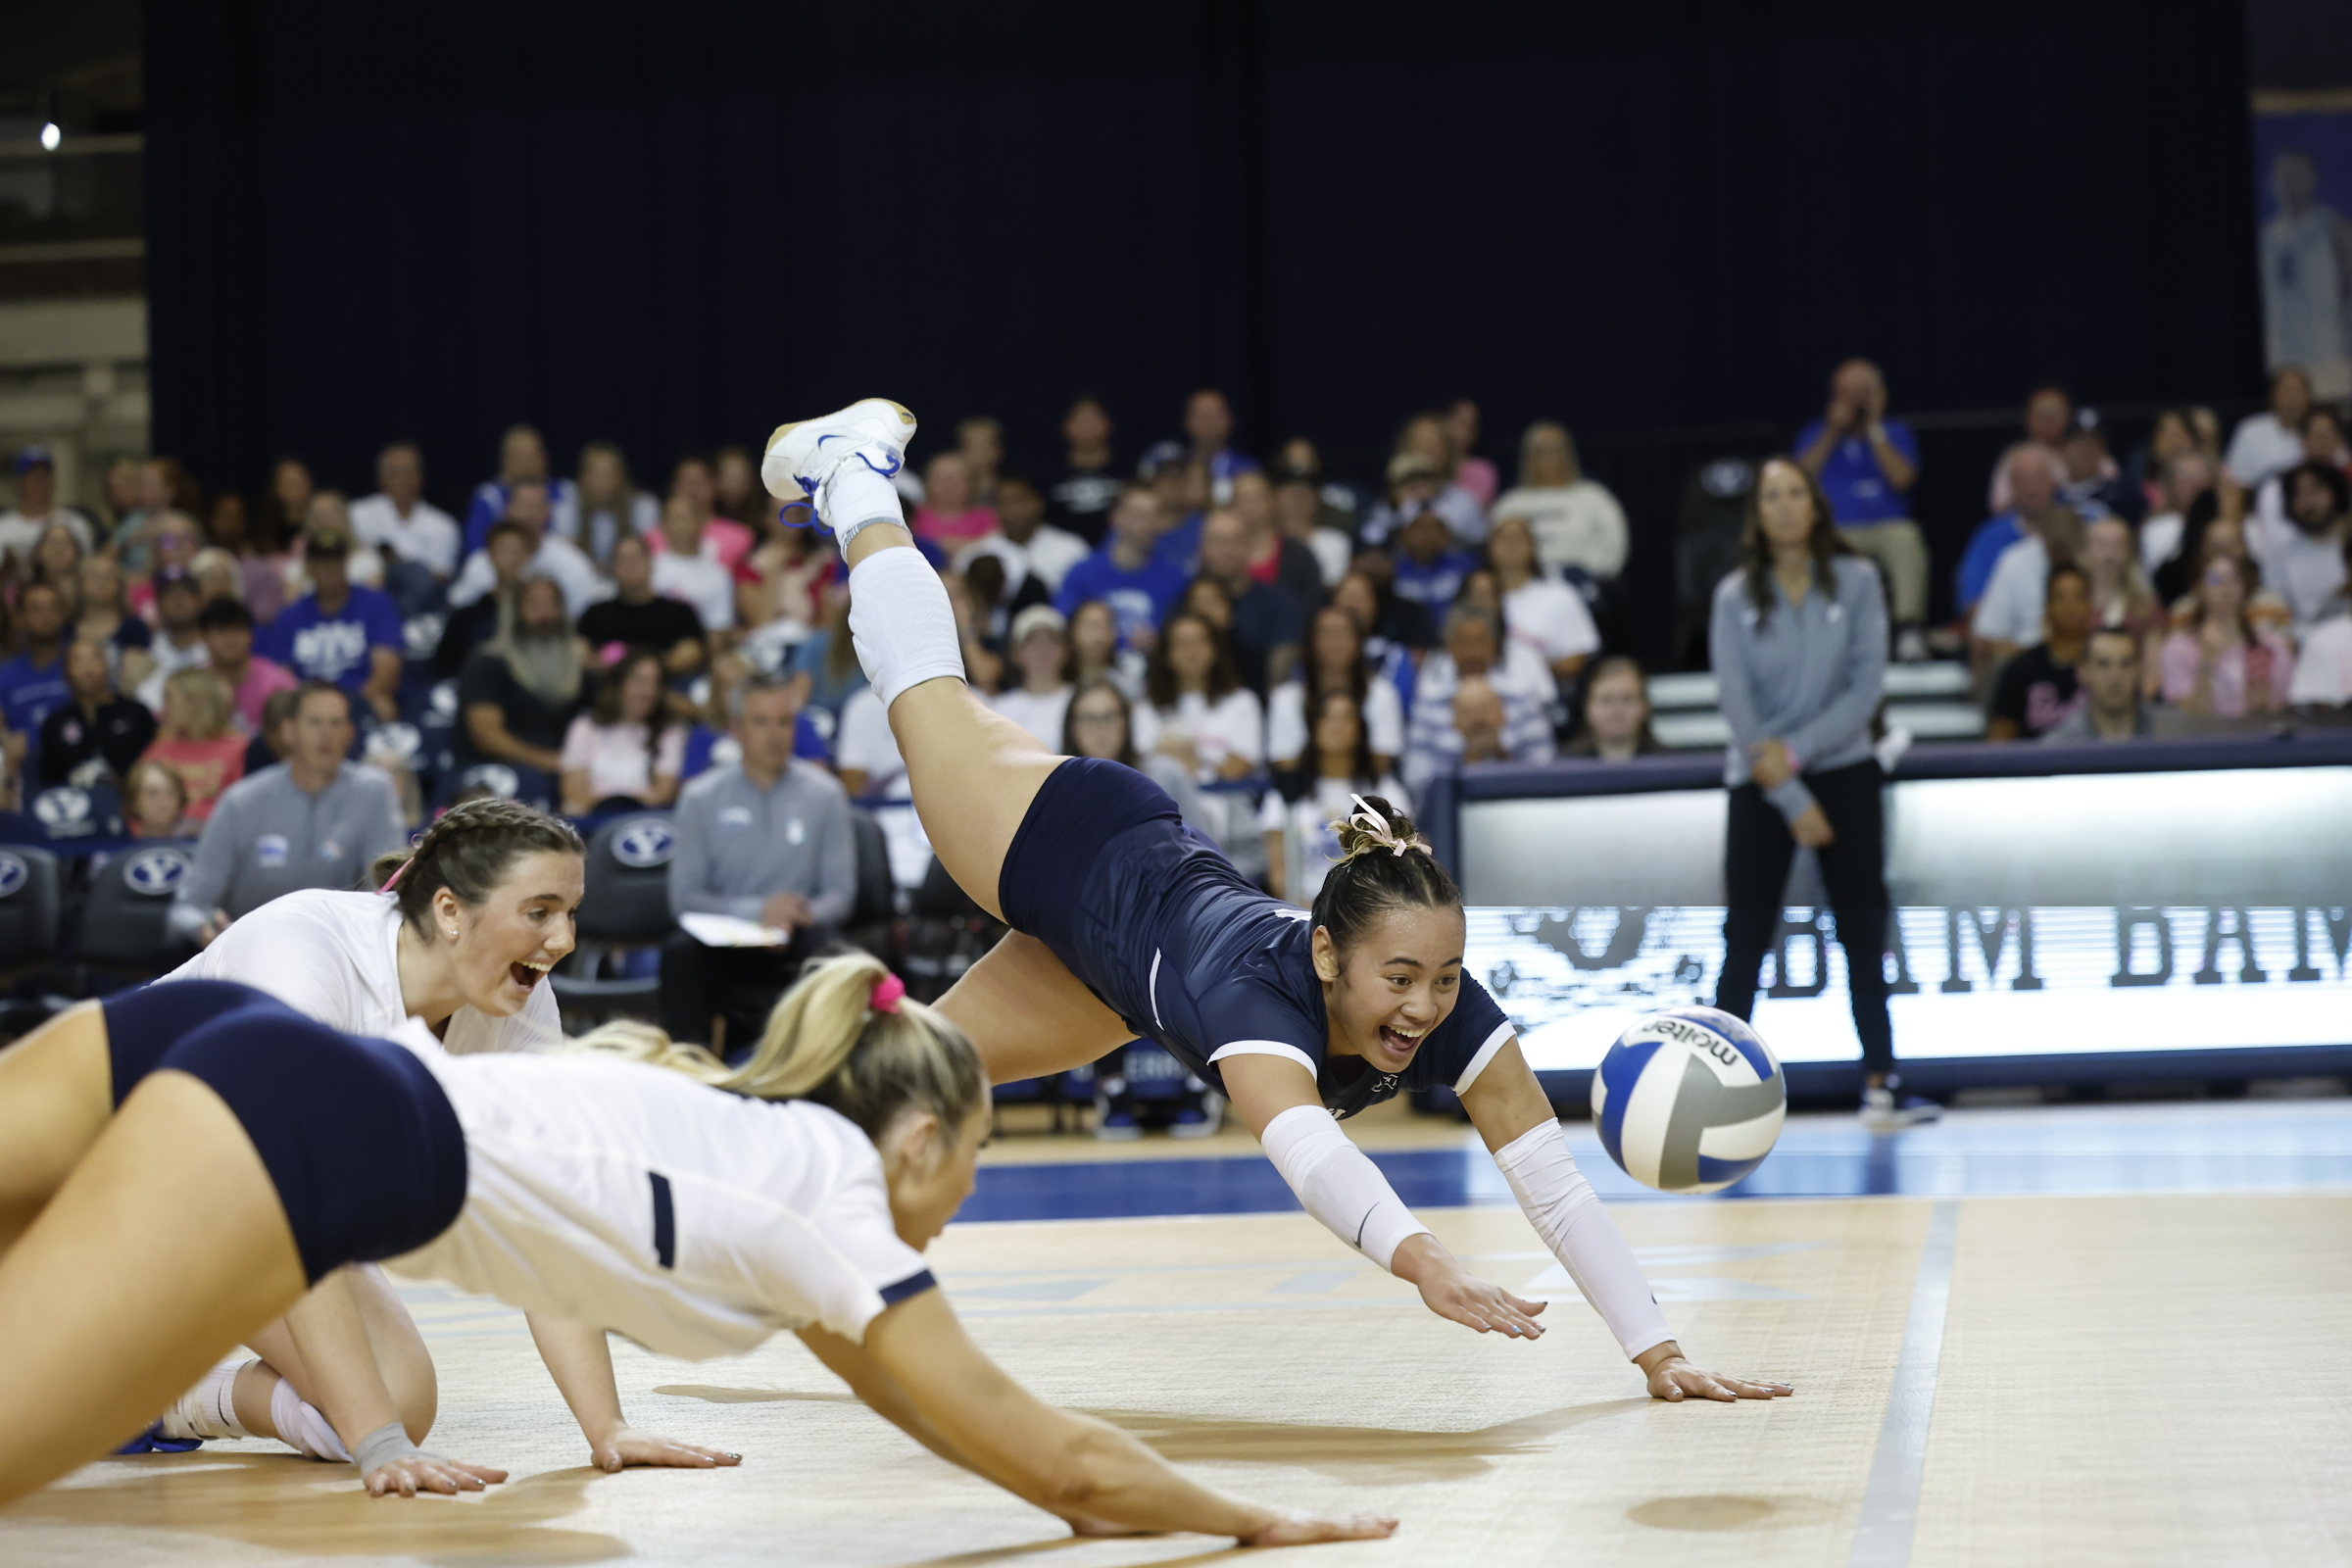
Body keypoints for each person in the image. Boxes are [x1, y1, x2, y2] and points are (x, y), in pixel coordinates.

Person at [758, 398, 1788, 1405]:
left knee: (890, 1075)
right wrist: (1427, 1262)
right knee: (926, 694)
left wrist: (1657, 1352)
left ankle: (720, 1197)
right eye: (1402, 978)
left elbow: (1553, 1182)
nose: (1426, 1005)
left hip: (1114, 977)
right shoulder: (1258, 1003)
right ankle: (853, 475)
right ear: (1329, 955)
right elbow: (1310, 1153)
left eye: (1441, 976)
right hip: (1075, 843)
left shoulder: (1440, 1003)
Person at [0, 966, 1394, 1544]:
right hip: (297, 1128)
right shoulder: (831, 1206)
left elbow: (989, 1447)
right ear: (914, 1139)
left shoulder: (776, 1174)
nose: (969, 1195)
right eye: (977, 1157)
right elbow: (1062, 1464)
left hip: (233, 1044)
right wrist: (1259, 1520)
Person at [147, 798, 730, 1487]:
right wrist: (380, 1447)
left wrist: (608, 1426)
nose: (566, 937)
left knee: (393, 1400)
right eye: (539, 912)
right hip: (114, 1183)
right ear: (451, 912)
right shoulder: (305, 949)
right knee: (374, 1419)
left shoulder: (517, 1000)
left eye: (571, 911)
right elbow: (284, 1203)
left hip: (233, 1203)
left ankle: (162, 1401)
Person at [1708, 457, 1922, 1134]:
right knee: (1745, 936)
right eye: (1770, 496)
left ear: (1816, 504)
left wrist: (1796, 757)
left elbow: (1865, 692)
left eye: (1795, 493)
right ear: (1757, 512)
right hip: (1762, 781)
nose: (1784, 506)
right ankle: (1717, 1096)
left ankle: (1883, 1083)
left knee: (1863, 928)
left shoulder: (1857, 582)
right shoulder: (1734, 596)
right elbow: (1739, 708)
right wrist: (1795, 798)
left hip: (1843, 770)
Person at [662, 674, 856, 1052]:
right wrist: (759, 912)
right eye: (761, 722)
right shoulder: (700, 798)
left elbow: (840, 893)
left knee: (836, 954)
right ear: (736, 729)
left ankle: (832, 1082)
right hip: (726, 940)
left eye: (785, 722)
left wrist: (793, 918)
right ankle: (689, 1075)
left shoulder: (826, 794)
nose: (775, 734)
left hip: (799, 934)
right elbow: (685, 898)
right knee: (680, 953)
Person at [171, 682, 405, 945]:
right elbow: (187, 908)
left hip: (341, 950)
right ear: (288, 732)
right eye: (315, 722)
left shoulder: (374, 792)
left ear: (350, 733)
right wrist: (206, 929)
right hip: (251, 951)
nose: (326, 733)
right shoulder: (242, 801)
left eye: (336, 723)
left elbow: (387, 892)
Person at [1793, 359, 1928, 653]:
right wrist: (1832, 430)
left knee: (1906, 537)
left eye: (1862, 393)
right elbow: (1799, 480)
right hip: (1836, 529)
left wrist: (1875, 427)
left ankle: (1908, 629)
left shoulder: (1894, 432)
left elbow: (1903, 479)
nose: (1855, 402)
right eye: (1847, 393)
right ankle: (1815, 632)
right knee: (1810, 543)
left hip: (1884, 529)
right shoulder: (1816, 433)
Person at [1259, 690, 1409, 906]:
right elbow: (1279, 875)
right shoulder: (1284, 793)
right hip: (1303, 915)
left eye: (1346, 718)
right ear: (1313, 727)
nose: (1336, 726)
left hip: (1371, 915)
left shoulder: (1388, 791)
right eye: (1327, 717)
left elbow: (1401, 864)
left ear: (1361, 728)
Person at [456, 576, 583, 800]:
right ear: (514, 613)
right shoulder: (488, 663)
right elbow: (488, 737)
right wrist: (549, 761)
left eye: (553, 605)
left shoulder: (580, 667)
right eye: (535, 605)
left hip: (569, 774)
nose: (546, 615)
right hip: (500, 775)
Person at [260, 529, 405, 723]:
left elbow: (387, 668)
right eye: (321, 562)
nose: (329, 568)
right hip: (308, 703)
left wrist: (354, 703)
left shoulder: (376, 604)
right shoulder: (290, 616)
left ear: (346, 563)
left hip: (361, 696)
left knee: (384, 706)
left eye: (335, 561)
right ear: (309, 567)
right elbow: (282, 677)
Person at [1266, 603, 1405, 774]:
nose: (1336, 642)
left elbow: (1382, 760)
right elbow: (1285, 763)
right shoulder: (1285, 698)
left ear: (1359, 642)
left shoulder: (1383, 694)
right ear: (1310, 643)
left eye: (1344, 633)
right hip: (1305, 795)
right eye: (1327, 634)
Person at [2152, 552, 2293, 718]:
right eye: (2215, 580)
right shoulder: (2179, 649)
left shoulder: (2271, 647)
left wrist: (2265, 709)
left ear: (2245, 588)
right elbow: (2188, 719)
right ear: (2199, 588)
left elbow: (2287, 712)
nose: (2226, 589)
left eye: (2233, 579)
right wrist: (2207, 662)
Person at [1131, 612, 1264, 783]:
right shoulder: (1146, 707)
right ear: (1166, 654)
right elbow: (1144, 768)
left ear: (1215, 650)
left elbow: (1240, 766)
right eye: (1182, 644)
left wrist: (1188, 760)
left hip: (1225, 802)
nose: (1192, 651)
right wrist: (1210, 764)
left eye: (1200, 642)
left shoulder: (1242, 702)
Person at [1490, 420, 1628, 583]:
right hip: (1525, 587)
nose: (1549, 457)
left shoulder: (1594, 496)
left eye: (1555, 449)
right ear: (1528, 457)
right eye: (1541, 450)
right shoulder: (1510, 503)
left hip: (1583, 585)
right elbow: (1494, 549)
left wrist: (1589, 575)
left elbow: (1615, 545)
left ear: (1568, 454)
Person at [447, 480, 607, 620]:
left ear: (548, 512)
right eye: (523, 506)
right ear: (508, 510)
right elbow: (458, 612)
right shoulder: (481, 563)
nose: (529, 515)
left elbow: (585, 617)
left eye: (535, 507)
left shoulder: (572, 564)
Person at [1054, 485, 1185, 653]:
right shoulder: (1082, 574)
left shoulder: (1175, 578)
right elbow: (1063, 628)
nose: (1148, 524)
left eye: (1155, 516)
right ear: (1115, 518)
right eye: (1139, 516)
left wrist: (1162, 644)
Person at [1195, 507, 1305, 692]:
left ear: (1249, 546)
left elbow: (1278, 678)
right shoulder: (1185, 601)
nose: (1225, 551)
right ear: (1202, 548)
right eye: (1217, 542)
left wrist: (1228, 631)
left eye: (1233, 542)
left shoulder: (1281, 603)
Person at [560, 649, 684, 814]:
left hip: (643, 820)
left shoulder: (670, 732)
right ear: (619, 684)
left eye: (656, 683)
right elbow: (574, 794)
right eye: (640, 682)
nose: (650, 692)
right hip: (593, 823)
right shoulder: (586, 727)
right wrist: (613, 804)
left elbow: (664, 794)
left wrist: (618, 803)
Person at [1984, 564, 2096, 741]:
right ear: (2047, 607)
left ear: (2091, 606)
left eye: (2079, 596)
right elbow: (1999, 741)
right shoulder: (2020, 670)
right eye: (2060, 597)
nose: (2070, 606)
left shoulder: (2109, 665)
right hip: (2034, 765)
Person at [1488, 513, 1598, 689]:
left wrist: (1530, 675)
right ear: (1490, 547)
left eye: (1518, 538)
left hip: (1545, 695)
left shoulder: (1560, 594)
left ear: (1533, 546)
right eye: (1504, 538)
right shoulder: (1478, 596)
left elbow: (1576, 656)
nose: (1511, 545)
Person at [1973, 505, 2085, 672]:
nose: (2061, 554)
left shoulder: (2093, 564)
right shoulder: (2014, 562)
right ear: (2042, 536)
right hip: (2026, 665)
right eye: (2056, 548)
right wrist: (2038, 658)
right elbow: (1988, 637)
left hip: (2084, 663)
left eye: (2067, 549)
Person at [577, 530, 706, 676]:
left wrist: (648, 672)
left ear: (651, 562)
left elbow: (693, 651)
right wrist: (598, 664)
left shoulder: (680, 612)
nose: (631, 566)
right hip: (609, 689)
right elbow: (578, 649)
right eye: (623, 560)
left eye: (636, 558)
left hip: (665, 687)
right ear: (613, 568)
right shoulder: (595, 613)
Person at [1957, 444, 2066, 617]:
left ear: (2055, 480)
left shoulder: (2081, 527)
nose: (2031, 487)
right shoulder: (1988, 537)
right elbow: (1973, 604)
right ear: (2011, 485)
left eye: (2038, 477)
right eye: (2022, 479)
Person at [37, 638, 158, 789]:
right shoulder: (54, 724)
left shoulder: (136, 713)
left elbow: (153, 763)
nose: (87, 668)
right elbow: (48, 779)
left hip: (129, 801)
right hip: (74, 805)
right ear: (66, 671)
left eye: (95, 658)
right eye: (78, 661)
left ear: (108, 665)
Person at [2248, 459, 2350, 631]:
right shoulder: (2279, 557)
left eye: (2315, 490)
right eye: (2298, 494)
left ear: (2335, 491)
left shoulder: (2347, 542)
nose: (2308, 502)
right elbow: (2276, 615)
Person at [954, 471, 1087, 600]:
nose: (1012, 511)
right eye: (1003, 502)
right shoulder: (975, 554)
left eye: (1019, 501)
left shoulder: (1071, 550)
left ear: (1039, 503)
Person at [141, 667, 247, 820]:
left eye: (169, 698)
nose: (163, 708)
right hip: (166, 838)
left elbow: (246, 807)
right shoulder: (160, 749)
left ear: (196, 702)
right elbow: (137, 807)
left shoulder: (238, 748)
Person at [463, 424, 581, 555]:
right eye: (519, 457)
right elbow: (476, 549)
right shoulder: (489, 497)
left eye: (532, 456)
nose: (527, 465)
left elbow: (580, 544)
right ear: (505, 461)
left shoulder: (567, 492)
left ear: (545, 457)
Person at [350, 443, 463, 580]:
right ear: (381, 478)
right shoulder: (357, 515)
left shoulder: (444, 526)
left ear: (421, 477)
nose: (403, 479)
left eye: (410, 472)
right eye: (395, 473)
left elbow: (441, 576)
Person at [195, 596, 300, 738]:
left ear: (251, 635)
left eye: (238, 629)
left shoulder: (278, 684)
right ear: (203, 637)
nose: (231, 637)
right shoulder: (193, 687)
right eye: (221, 630)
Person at [0, 581, 72, 785]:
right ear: (19, 618)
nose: (47, 616)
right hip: (25, 769)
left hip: (76, 763)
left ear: (64, 615)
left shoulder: (79, 663)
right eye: (36, 609)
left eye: (54, 608)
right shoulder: (6, 674)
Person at [2222, 366, 2318, 508]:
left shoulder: (2321, 430)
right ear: (2273, 395)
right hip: (2260, 509)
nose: (2292, 397)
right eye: (2286, 390)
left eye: (2298, 391)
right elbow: (2235, 482)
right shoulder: (2251, 430)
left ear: (2309, 396)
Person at [2042, 626, 2155, 741]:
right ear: (2083, 672)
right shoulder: (2059, 747)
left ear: (2139, 670)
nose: (2115, 676)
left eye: (2125, 664)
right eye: (2103, 664)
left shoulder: (2168, 736)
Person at [986, 605, 1074, 749]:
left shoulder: (1082, 701)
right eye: (1032, 642)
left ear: (1065, 649)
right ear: (1016, 653)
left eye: (1051, 641)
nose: (1042, 650)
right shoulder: (999, 709)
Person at [648, 495, 738, 635]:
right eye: (674, 518)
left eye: (685, 517)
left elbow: (718, 629)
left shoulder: (719, 575)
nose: (680, 525)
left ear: (701, 522)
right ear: (663, 526)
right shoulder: (648, 569)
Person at [73, 551, 156, 692]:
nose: (101, 581)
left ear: (119, 584)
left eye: (108, 576)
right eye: (94, 576)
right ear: (80, 583)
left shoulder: (135, 629)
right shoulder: (66, 631)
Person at [0, 446, 96, 567]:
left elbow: (86, 570)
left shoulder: (75, 524)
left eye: (45, 476)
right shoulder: (3, 528)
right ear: (20, 483)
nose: (41, 482)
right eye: (34, 476)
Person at [1985, 384, 2076, 514]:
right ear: (2028, 418)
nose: (2048, 420)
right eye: (2042, 414)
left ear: (2068, 416)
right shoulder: (2015, 457)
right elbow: (1998, 505)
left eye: (2054, 413)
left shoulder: (2084, 452)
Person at [570, 440, 660, 568]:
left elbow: (650, 555)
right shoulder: (569, 507)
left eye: (608, 474)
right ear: (583, 477)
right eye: (596, 474)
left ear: (621, 476)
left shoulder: (643, 506)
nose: (602, 481)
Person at [1048, 393, 1121, 543]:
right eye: (1081, 420)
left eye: (1093, 419)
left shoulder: (1127, 470)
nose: (1088, 427)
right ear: (1066, 426)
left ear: (1108, 424)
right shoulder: (1048, 475)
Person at [1562, 655, 1666, 760]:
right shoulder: (1564, 766)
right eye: (1606, 700)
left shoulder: (1669, 764)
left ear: (1644, 706)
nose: (1617, 710)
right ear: (1587, 708)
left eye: (1627, 699)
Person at [134, 566, 212, 708]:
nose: (178, 598)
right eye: (169, 593)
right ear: (158, 604)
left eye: (185, 592)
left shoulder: (216, 652)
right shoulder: (145, 655)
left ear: (200, 601)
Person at [1273, 460, 1355, 588]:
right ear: (1275, 497)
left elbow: (1331, 585)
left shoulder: (1335, 541)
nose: (1297, 501)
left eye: (1304, 495)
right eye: (1291, 494)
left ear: (1317, 501)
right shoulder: (1262, 539)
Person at [1182, 387, 1259, 504]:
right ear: (1187, 421)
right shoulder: (1174, 469)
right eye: (1202, 415)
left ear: (1229, 420)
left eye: (1214, 415)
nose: (1208, 423)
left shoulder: (1249, 469)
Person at [911, 452, 998, 550]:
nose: (948, 485)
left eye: (955, 479)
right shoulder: (913, 517)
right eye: (941, 479)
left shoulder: (987, 517)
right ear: (927, 483)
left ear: (972, 483)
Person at [1065, 597, 1144, 699]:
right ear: (1072, 632)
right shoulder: (1057, 684)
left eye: (1107, 625)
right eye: (1092, 626)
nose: (1100, 635)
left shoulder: (1130, 686)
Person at [1443, 399, 1498, 508]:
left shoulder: (1483, 471)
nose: (1466, 431)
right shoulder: (1429, 466)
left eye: (1472, 425)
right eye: (1460, 423)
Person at [122, 758, 192, 839]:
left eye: (170, 794)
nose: (163, 803)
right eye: (153, 793)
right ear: (134, 802)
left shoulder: (199, 839)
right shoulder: (120, 840)